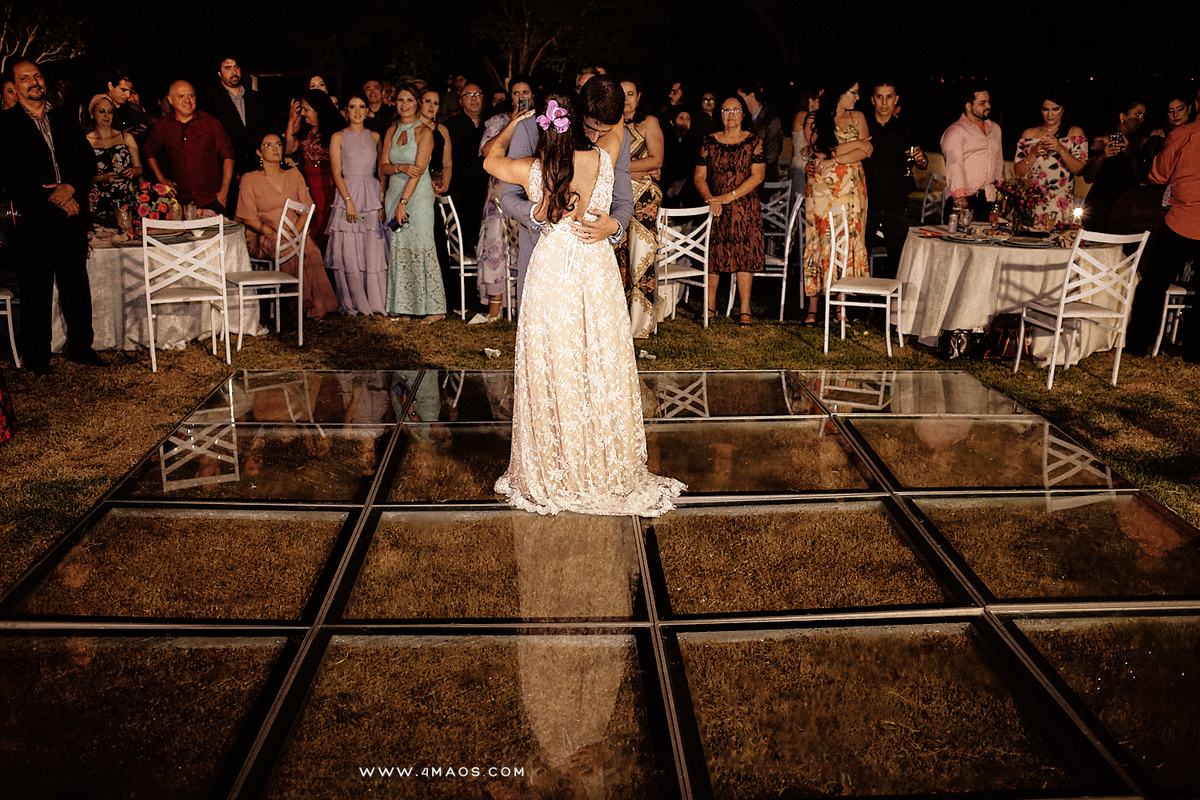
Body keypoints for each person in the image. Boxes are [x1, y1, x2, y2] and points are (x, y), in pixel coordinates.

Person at [483, 94, 685, 516]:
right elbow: (611, 139)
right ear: (581, 128)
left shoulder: (532, 169)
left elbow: (489, 159)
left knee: (555, 363)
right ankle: (602, 467)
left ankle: (558, 466)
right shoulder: (604, 156)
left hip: (553, 273)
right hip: (594, 271)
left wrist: (509, 126)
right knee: (599, 360)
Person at [0, 60, 101, 376]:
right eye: (25, 78)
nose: (34, 81)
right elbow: (12, 175)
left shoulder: (64, 118)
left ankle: (82, 348)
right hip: (35, 219)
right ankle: (38, 358)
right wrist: (55, 198)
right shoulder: (6, 125)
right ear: (15, 88)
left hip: (71, 214)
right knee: (36, 288)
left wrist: (71, 188)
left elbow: (86, 161)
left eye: (38, 76)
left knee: (76, 284)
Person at [499, 74, 634, 310]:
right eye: (591, 128)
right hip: (540, 252)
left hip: (592, 263)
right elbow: (508, 197)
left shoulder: (619, 139)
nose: (596, 138)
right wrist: (535, 212)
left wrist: (614, 226)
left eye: (605, 132)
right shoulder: (532, 128)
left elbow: (623, 199)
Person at [1124, 91, 1200, 361]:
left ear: (1196, 105)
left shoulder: (1183, 135)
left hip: (1183, 220)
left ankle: (1137, 343)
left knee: (1154, 285)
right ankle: (1194, 351)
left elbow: (1157, 176)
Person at [236, 132, 339, 321]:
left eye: (278, 144)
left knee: (311, 250)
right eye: (268, 145)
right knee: (288, 249)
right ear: (259, 152)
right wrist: (277, 233)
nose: (275, 149)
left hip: (294, 231)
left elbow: (307, 209)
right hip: (264, 235)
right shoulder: (250, 179)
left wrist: (295, 232)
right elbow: (249, 218)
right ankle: (299, 304)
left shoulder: (293, 174)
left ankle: (320, 306)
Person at [802, 79, 872, 324]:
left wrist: (835, 160)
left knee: (847, 238)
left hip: (851, 189)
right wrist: (853, 146)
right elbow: (818, 149)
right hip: (821, 189)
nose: (857, 97)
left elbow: (867, 151)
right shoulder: (813, 118)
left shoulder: (858, 117)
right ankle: (813, 307)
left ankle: (840, 307)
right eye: (853, 93)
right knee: (819, 239)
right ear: (839, 93)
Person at [694, 95, 766, 328]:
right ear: (720, 114)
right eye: (726, 111)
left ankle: (745, 309)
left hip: (744, 206)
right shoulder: (709, 141)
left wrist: (729, 197)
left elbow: (758, 176)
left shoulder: (754, 141)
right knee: (714, 253)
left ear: (743, 114)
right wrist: (711, 199)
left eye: (735, 110)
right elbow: (700, 176)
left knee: (745, 255)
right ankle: (710, 306)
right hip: (715, 207)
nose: (731, 115)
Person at [380, 83, 445, 321]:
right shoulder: (391, 130)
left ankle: (435, 308)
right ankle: (406, 306)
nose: (404, 105)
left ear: (417, 103)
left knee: (422, 248)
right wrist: (400, 167)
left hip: (416, 198)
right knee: (400, 250)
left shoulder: (424, 132)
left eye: (409, 100)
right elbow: (383, 166)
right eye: (400, 100)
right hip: (394, 194)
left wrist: (403, 202)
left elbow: (418, 171)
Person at [475, 78, 531, 322]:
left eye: (525, 92)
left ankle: (526, 307)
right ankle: (495, 310)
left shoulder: (541, 122)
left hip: (527, 189)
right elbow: (486, 152)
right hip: (498, 190)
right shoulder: (498, 121)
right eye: (516, 92)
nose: (520, 96)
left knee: (527, 246)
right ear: (510, 97)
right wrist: (512, 123)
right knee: (496, 246)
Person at [326, 96, 388, 315]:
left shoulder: (375, 136)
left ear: (367, 110)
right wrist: (348, 203)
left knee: (371, 245)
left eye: (362, 106)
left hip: (371, 197)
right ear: (346, 111)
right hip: (347, 198)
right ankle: (354, 301)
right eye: (352, 107)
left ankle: (375, 301)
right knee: (350, 246)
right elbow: (336, 172)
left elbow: (381, 170)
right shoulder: (337, 137)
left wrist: (380, 199)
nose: (358, 111)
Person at [863, 81, 926, 278]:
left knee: (899, 258)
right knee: (860, 253)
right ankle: (859, 301)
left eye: (889, 97)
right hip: (867, 200)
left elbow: (921, 161)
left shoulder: (905, 128)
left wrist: (921, 159)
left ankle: (894, 304)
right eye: (880, 97)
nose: (884, 102)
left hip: (895, 201)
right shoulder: (863, 126)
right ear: (872, 99)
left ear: (896, 99)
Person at [617, 77, 664, 337]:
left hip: (645, 197)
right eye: (621, 94)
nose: (626, 99)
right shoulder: (610, 125)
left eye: (631, 93)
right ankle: (619, 320)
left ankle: (641, 324)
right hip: (617, 194)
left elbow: (657, 160)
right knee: (619, 258)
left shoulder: (649, 123)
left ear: (639, 96)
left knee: (641, 257)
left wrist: (622, 170)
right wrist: (631, 170)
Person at [145, 80, 235, 213]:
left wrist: (224, 192)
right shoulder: (162, 126)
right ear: (170, 100)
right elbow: (148, 152)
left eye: (191, 96)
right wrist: (161, 179)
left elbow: (228, 156)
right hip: (180, 202)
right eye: (181, 96)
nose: (187, 100)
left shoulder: (210, 123)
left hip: (211, 199)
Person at [205, 53, 269, 216]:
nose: (234, 72)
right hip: (226, 170)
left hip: (255, 166)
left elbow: (263, 131)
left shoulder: (254, 98)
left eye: (236, 67)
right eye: (228, 68)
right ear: (219, 73)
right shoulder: (211, 99)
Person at [1013, 94, 1088, 228]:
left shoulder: (1074, 133)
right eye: (1045, 109)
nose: (1050, 115)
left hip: (1061, 206)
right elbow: (1018, 172)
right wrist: (1034, 153)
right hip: (1032, 205)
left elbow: (1080, 170)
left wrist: (1061, 149)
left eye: (1055, 109)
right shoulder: (1029, 134)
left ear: (1063, 109)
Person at [285, 89, 341, 249]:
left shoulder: (334, 130)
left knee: (327, 219)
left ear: (318, 109)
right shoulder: (304, 129)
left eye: (306, 109)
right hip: (308, 183)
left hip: (328, 183)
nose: (303, 113)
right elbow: (289, 149)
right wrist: (291, 120)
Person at [1082, 100, 1148, 232]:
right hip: (1099, 203)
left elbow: (1142, 177)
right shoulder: (1100, 141)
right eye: (1137, 114)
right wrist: (1102, 157)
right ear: (1122, 116)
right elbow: (1088, 177)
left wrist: (1129, 153)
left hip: (1126, 205)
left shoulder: (1141, 144)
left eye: (1143, 116)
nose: (1141, 119)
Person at [940, 86, 1003, 222]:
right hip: (964, 199)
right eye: (982, 103)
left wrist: (1002, 193)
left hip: (988, 199)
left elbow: (998, 164)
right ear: (969, 106)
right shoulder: (956, 131)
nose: (988, 106)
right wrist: (961, 200)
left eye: (988, 102)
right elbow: (954, 166)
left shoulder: (995, 129)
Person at [84, 94, 142, 226]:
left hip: (125, 200)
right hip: (98, 203)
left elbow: (139, 168)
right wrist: (102, 178)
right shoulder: (86, 142)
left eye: (110, 112)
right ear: (92, 113)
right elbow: (81, 176)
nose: (106, 116)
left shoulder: (126, 137)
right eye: (102, 111)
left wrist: (133, 171)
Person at [445, 82, 488, 254]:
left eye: (477, 94)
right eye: (468, 95)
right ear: (461, 101)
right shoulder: (450, 126)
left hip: (487, 192)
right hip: (460, 194)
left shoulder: (493, 123)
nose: (474, 99)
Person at [737, 80, 783, 180]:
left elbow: (772, 154)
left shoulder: (771, 120)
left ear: (751, 96)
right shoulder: (744, 119)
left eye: (741, 97)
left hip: (765, 177)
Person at [789, 87, 821, 214]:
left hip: (810, 169)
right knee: (800, 206)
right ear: (810, 101)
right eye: (819, 100)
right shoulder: (802, 115)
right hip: (800, 168)